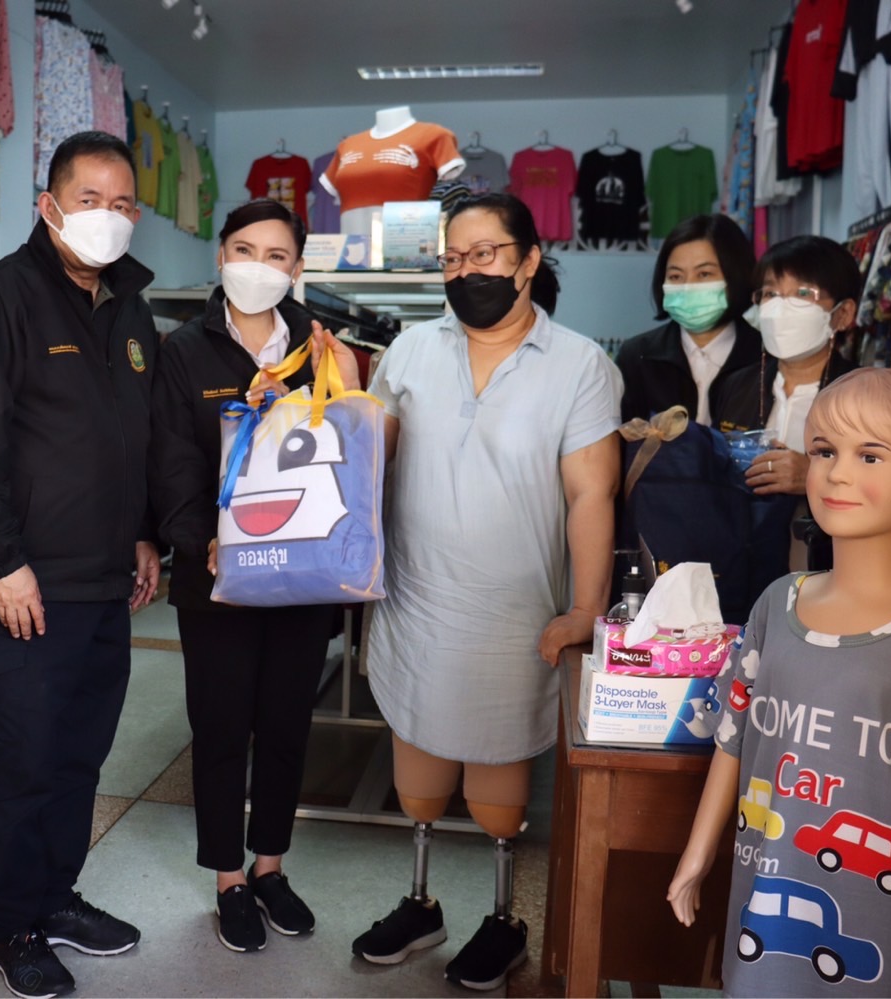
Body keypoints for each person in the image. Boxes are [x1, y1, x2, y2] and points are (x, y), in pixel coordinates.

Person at [352, 193, 622, 990]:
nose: (467, 271)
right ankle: (421, 903)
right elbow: (364, 463)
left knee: (499, 795)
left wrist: (585, 609)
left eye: (486, 254)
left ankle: (505, 916)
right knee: (419, 784)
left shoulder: (579, 364)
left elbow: (591, 494)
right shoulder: (408, 350)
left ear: (529, 259)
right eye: (453, 258)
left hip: (515, 619)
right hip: (417, 603)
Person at [668, 367, 891, 997]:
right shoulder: (777, 604)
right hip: (764, 905)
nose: (837, 473)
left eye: (869, 456)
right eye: (824, 451)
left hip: (884, 927)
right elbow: (734, 736)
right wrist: (697, 854)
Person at [0, 131, 160, 999]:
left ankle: (55, 895)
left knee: (79, 754)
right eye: (89, 199)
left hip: (103, 582)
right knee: (23, 759)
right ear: (49, 205)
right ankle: (10, 924)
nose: (107, 216)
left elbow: (136, 436)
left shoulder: (130, 309)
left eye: (122, 203)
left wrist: (145, 533)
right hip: (24, 583)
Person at [149, 199, 361, 953]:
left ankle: (270, 866)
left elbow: (348, 449)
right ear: (221, 257)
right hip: (215, 581)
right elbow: (170, 461)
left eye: (276, 255)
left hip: (302, 576)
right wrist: (201, 539)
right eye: (244, 250)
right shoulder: (183, 351)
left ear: (297, 268)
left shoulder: (321, 347)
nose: (258, 266)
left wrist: (338, 385)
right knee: (220, 728)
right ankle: (229, 878)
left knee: (284, 725)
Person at [712, 236, 861, 571]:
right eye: (770, 294)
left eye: (803, 294)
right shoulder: (737, 386)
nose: (780, 308)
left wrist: (813, 476)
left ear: (843, 314)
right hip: (740, 565)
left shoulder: (866, 395)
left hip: (832, 567)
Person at [616, 213, 761, 426]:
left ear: (736, 275)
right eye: (676, 276)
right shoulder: (637, 356)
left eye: (704, 274)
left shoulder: (765, 355)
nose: (687, 287)